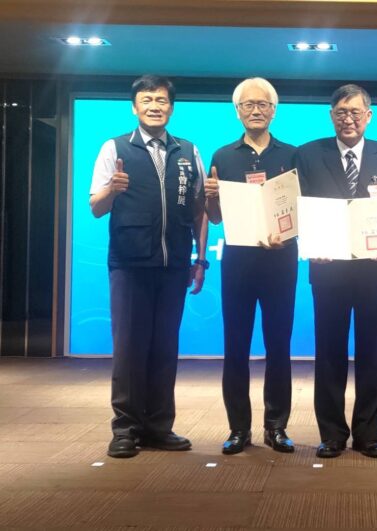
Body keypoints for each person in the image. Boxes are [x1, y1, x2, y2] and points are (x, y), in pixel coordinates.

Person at [89, 74, 208, 459]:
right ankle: (126, 429)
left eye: (161, 100)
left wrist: (200, 259)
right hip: (129, 264)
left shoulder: (188, 151)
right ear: (134, 107)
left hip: (174, 265)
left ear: (171, 107)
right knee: (129, 348)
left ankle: (159, 427)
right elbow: (96, 207)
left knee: (164, 347)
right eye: (147, 100)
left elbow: (199, 210)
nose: (154, 106)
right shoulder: (115, 147)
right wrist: (113, 189)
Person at [294, 84, 377, 459]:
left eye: (355, 112)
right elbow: (300, 208)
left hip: (375, 269)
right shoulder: (308, 154)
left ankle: (368, 434)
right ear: (331, 116)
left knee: (373, 351)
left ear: (368, 116)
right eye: (341, 112)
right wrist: (311, 242)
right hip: (328, 270)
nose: (348, 119)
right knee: (329, 352)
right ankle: (332, 434)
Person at [204, 78, 297, 455]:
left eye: (263, 104)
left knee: (279, 346)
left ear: (274, 110)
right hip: (238, 263)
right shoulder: (222, 155)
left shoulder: (293, 155)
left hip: (281, 261)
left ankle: (277, 427)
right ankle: (238, 428)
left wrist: (287, 234)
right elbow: (214, 217)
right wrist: (211, 198)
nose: (256, 110)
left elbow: (300, 210)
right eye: (248, 105)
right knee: (236, 346)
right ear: (237, 111)